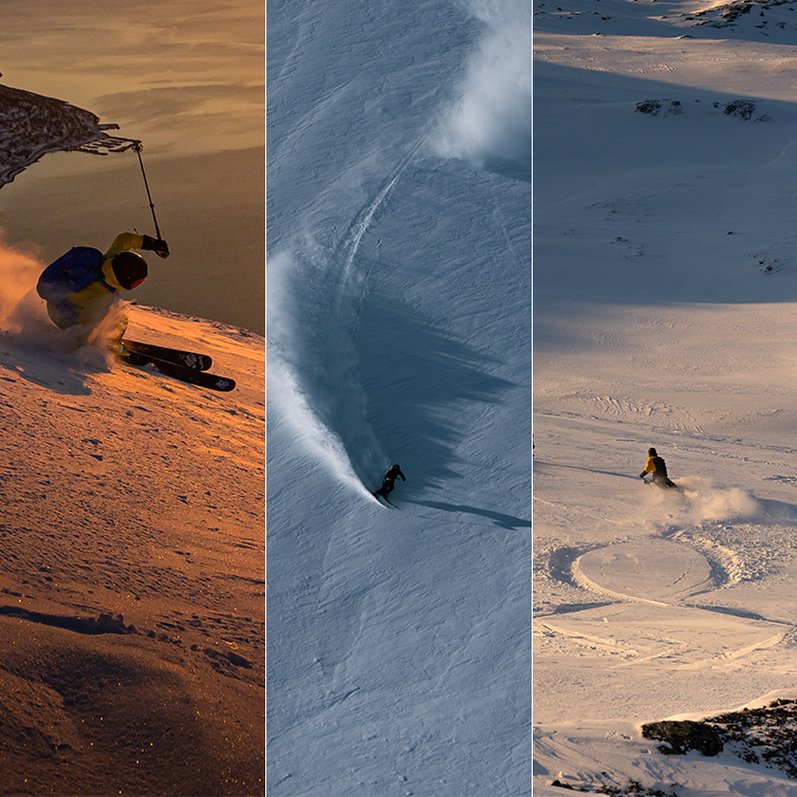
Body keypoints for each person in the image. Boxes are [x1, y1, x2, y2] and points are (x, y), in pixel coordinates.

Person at [36, 231, 169, 342]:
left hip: (57, 302)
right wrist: (93, 343)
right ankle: (111, 344)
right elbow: (86, 324)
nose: (137, 285)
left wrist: (152, 244)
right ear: (126, 278)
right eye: (137, 282)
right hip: (61, 317)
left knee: (112, 316)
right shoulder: (102, 295)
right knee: (118, 320)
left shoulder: (110, 259)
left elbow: (124, 239)